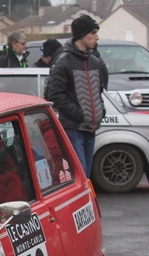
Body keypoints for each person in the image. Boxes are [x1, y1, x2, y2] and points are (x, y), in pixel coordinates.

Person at [45, 15, 106, 178]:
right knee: (80, 174)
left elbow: (98, 91)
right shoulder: (63, 61)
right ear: (81, 35)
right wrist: (79, 114)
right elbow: (54, 94)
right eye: (92, 33)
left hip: (90, 127)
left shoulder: (95, 62)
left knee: (86, 176)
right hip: (74, 128)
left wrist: (100, 111)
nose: (97, 37)